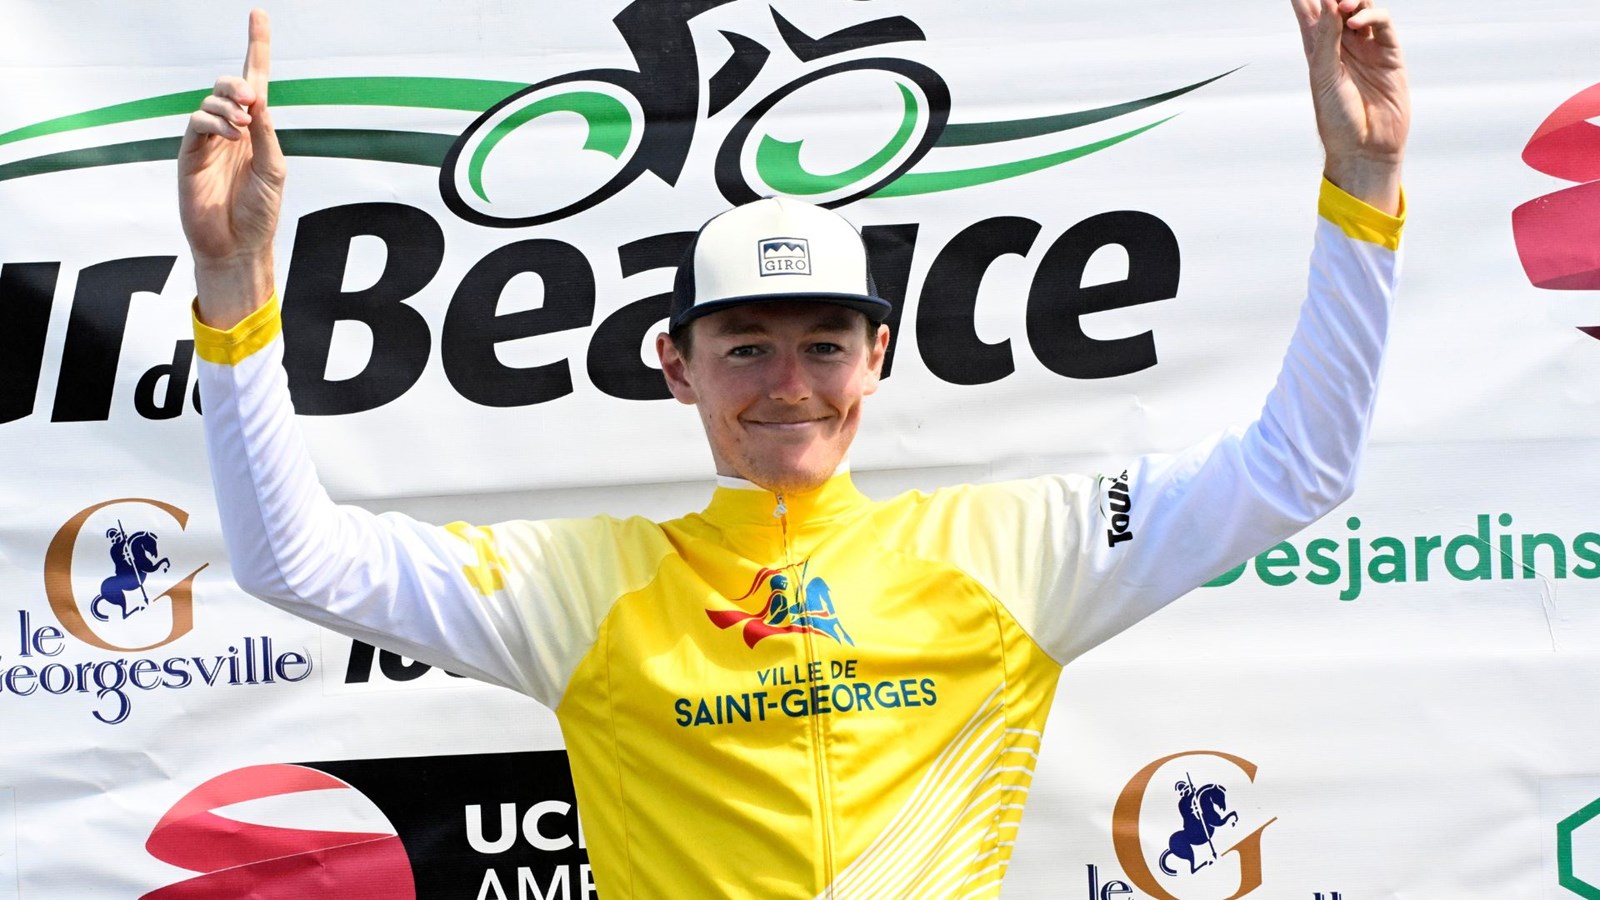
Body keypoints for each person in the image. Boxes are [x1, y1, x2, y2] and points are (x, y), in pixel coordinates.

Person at [179, 1, 1407, 896]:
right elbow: (296, 562)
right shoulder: (585, 585)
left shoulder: (1009, 551)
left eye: (825, 345)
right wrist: (234, 286)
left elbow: (1296, 470)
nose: (789, 386)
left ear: (878, 359)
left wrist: (1362, 181)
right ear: (677, 366)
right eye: (746, 347)